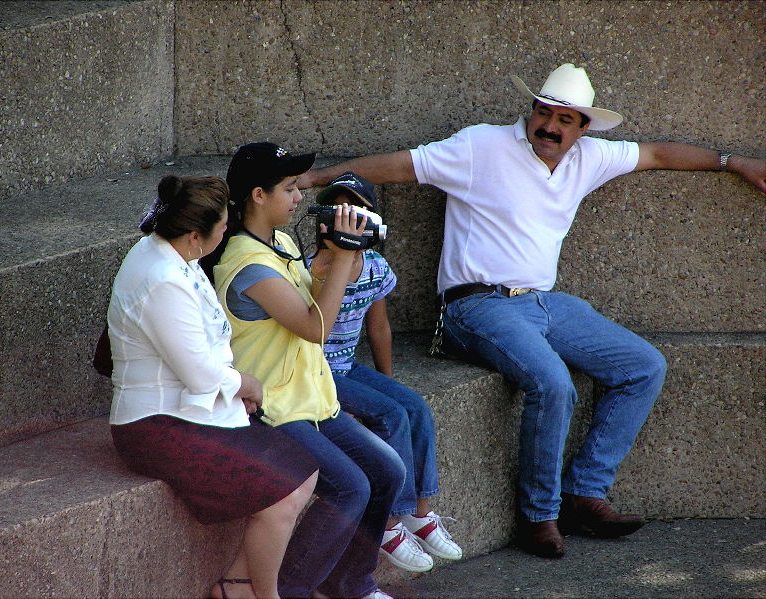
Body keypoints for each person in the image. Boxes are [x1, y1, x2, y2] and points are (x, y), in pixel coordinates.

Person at [298, 63, 766, 559]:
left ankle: (585, 492)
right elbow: (400, 165)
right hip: (475, 304)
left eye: (564, 120)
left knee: (643, 365)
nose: (549, 126)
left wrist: (734, 161)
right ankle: (538, 517)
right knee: (552, 382)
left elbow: (655, 153)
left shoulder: (591, 157)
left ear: (583, 128)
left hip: (544, 302)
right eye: (543, 113)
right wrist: (318, 179)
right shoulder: (482, 146)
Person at [202, 142, 404, 599]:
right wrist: (341, 259)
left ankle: (350, 582)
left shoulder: (282, 243)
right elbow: (316, 327)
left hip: (312, 398)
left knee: (388, 470)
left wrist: (343, 255)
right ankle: (284, 591)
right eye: (290, 188)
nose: (300, 197)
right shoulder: (248, 263)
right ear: (257, 195)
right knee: (350, 487)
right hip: (272, 406)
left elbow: (320, 291)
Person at [107, 174, 319, 599]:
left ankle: (238, 584)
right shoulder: (161, 278)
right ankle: (265, 594)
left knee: (305, 472)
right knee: (280, 496)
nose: (228, 230)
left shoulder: (173, 253)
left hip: (190, 409)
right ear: (193, 235)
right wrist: (248, 384)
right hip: (156, 424)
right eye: (223, 226)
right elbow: (201, 375)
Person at [313, 173, 463, 573]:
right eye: (337, 210)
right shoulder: (312, 265)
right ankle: (389, 525)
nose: (347, 219)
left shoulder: (377, 267)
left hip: (347, 364)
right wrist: (327, 262)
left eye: (356, 211)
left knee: (412, 405)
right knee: (391, 415)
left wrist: (388, 380)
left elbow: (379, 327)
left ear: (373, 219)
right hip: (314, 370)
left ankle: (420, 513)